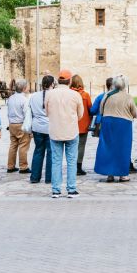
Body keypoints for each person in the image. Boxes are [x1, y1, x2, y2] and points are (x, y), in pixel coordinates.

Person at [45, 69, 84, 198]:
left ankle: (56, 189)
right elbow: (80, 114)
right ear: (69, 80)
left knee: (56, 161)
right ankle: (71, 189)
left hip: (55, 130)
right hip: (71, 130)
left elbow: (47, 112)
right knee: (72, 160)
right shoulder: (75, 95)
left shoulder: (50, 94)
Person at [94, 74, 137, 182]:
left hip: (108, 123)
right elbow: (134, 113)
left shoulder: (107, 95)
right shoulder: (128, 97)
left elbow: (101, 110)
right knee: (123, 148)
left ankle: (110, 174)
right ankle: (123, 174)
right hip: (123, 124)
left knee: (108, 148)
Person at [28, 75, 55, 184]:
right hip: (50, 126)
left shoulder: (34, 96)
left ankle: (35, 177)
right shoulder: (54, 95)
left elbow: (30, 110)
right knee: (51, 152)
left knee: (38, 151)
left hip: (37, 126)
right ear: (52, 84)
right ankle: (49, 178)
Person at [5, 79, 31, 174]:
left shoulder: (11, 98)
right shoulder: (24, 100)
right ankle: (23, 166)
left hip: (12, 124)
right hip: (21, 124)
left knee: (13, 145)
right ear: (24, 88)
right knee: (23, 146)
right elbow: (26, 114)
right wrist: (29, 129)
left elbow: (8, 112)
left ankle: (10, 166)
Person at [71, 74, 93, 176]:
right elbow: (90, 109)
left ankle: (72, 166)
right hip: (83, 124)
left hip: (71, 124)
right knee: (81, 146)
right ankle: (78, 167)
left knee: (72, 146)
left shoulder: (69, 94)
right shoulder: (85, 95)